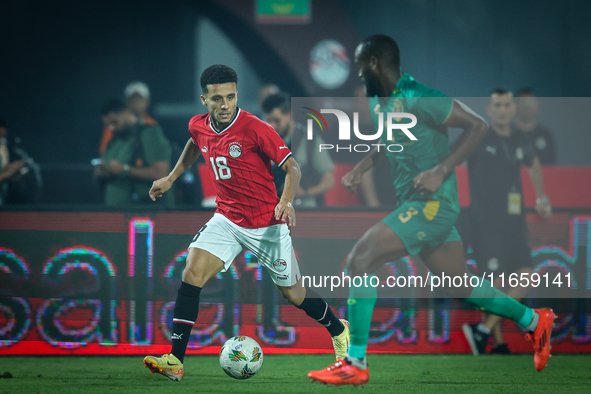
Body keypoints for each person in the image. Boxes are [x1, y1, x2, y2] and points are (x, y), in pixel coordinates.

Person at [307, 34, 555, 386]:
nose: (360, 77)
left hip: (432, 207)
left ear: (375, 64)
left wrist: (441, 170)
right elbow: (388, 140)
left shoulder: (420, 97)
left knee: (361, 259)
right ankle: (535, 320)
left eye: (362, 69)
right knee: (461, 283)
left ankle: (355, 362)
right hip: (414, 204)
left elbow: (478, 126)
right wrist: (363, 167)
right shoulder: (382, 102)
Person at [142, 64, 350, 382]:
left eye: (230, 96)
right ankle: (175, 360)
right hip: (227, 218)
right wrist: (171, 178)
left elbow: (293, 167)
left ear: (237, 94)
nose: (225, 104)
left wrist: (286, 200)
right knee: (192, 271)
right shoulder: (198, 125)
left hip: (267, 222)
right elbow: (194, 143)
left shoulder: (255, 128)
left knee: (293, 294)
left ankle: (338, 329)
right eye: (217, 99)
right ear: (204, 99)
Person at [462, 89, 552, 355]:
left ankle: (483, 331)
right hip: (485, 221)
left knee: (526, 272)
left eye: (506, 105)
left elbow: (533, 163)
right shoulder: (478, 135)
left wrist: (542, 196)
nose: (502, 110)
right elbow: (451, 158)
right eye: (497, 105)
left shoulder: (520, 137)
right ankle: (497, 342)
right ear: (489, 110)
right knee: (494, 281)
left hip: (515, 219)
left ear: (513, 109)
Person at [262, 91, 335, 207]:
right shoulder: (264, 142)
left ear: (289, 115)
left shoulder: (310, 140)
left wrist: (304, 193)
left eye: (277, 120)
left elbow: (329, 181)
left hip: (306, 210)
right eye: (269, 120)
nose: (272, 125)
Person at [95, 99, 171, 207]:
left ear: (126, 114)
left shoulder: (149, 133)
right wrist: (100, 173)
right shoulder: (113, 141)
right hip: (113, 214)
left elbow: (161, 174)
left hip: (143, 213)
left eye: (114, 122)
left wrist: (124, 170)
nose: (111, 128)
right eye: (107, 124)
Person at [98, 81, 158, 155]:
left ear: (147, 101)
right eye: (132, 99)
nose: (136, 102)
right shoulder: (115, 123)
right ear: (126, 101)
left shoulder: (152, 124)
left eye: (139, 99)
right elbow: (104, 151)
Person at [514, 87, 557, 165]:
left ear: (537, 107)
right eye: (523, 102)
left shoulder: (546, 135)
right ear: (515, 106)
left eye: (530, 102)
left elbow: (552, 166)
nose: (527, 106)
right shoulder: (507, 133)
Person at [0, 116, 27, 205]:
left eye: (3, 137)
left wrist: (14, 173)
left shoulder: (4, 148)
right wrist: (8, 172)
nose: (1, 141)